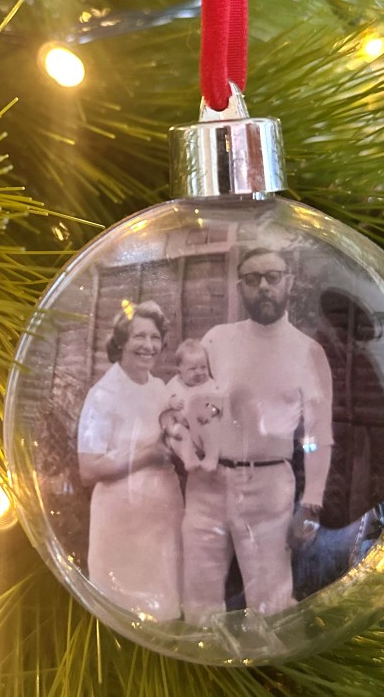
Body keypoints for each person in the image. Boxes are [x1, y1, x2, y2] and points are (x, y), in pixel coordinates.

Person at [180, 247, 334, 625]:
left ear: (289, 282)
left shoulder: (307, 352)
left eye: (272, 277)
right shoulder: (216, 339)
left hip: (269, 486)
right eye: (253, 279)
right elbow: (189, 396)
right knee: (199, 597)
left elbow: (319, 434)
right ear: (241, 286)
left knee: (270, 605)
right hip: (208, 485)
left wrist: (311, 505)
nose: (263, 287)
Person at [76, 300, 183, 621]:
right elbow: (88, 468)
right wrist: (147, 454)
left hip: (162, 520)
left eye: (154, 337)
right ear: (121, 341)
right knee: (120, 616)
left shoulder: (160, 389)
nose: (149, 346)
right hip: (121, 525)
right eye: (139, 337)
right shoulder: (103, 395)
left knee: (165, 613)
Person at [160, 339, 225, 473]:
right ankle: (189, 458)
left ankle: (211, 457)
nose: (199, 372)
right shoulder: (174, 384)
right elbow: (163, 399)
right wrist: (171, 402)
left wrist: (209, 412)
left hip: (203, 428)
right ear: (179, 372)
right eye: (192, 369)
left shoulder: (209, 385)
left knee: (212, 432)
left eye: (203, 367)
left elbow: (219, 403)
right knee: (175, 433)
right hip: (185, 429)